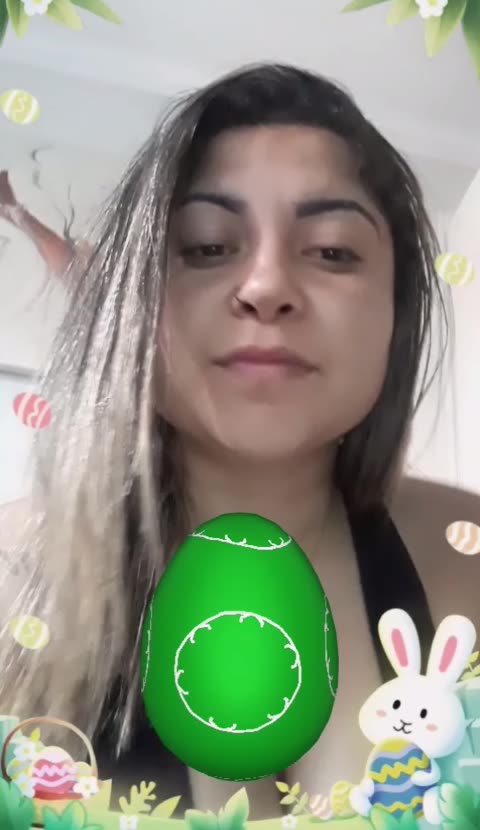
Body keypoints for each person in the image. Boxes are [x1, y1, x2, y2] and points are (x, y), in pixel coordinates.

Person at [0, 63, 478, 820]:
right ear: (136, 301)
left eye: (332, 251)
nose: (264, 286)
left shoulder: (464, 559)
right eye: (206, 245)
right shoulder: (13, 578)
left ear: (398, 314)